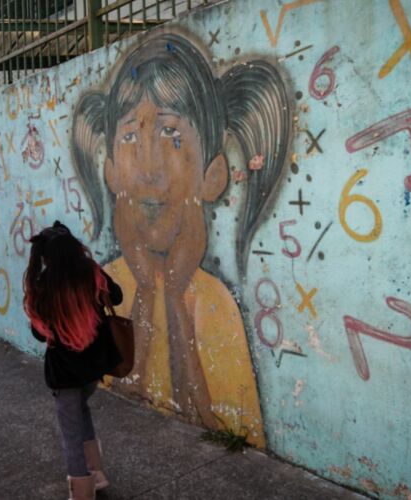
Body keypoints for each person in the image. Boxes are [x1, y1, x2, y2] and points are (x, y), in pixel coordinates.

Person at [71, 32, 293, 446]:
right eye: (131, 138)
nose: (148, 169)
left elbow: (227, 436)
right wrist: (146, 291)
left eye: (172, 136)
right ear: (112, 171)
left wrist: (174, 297)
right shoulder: (105, 285)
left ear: (213, 176)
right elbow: (118, 401)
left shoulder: (215, 305)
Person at [24, 222, 123, 500]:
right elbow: (117, 296)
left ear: (45, 256)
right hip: (94, 364)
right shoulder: (91, 272)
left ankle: (82, 492)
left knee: (70, 432)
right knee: (82, 412)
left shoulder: (43, 285)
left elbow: (39, 334)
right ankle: (97, 473)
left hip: (64, 371)